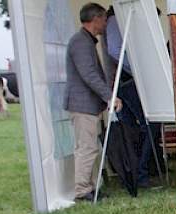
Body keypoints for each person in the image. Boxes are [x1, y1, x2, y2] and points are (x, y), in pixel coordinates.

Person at [65, 3, 122, 202]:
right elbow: (89, 74)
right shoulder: (81, 43)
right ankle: (83, 191)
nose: (106, 23)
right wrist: (110, 96)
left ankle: (88, 187)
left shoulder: (85, 41)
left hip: (86, 105)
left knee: (89, 147)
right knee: (86, 148)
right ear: (95, 19)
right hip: (82, 105)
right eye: (104, 19)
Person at [105, 6, 161, 191]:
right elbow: (115, 51)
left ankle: (138, 171)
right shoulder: (116, 19)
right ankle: (141, 172)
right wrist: (139, 68)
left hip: (125, 81)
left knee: (135, 129)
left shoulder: (116, 18)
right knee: (149, 124)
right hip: (128, 81)